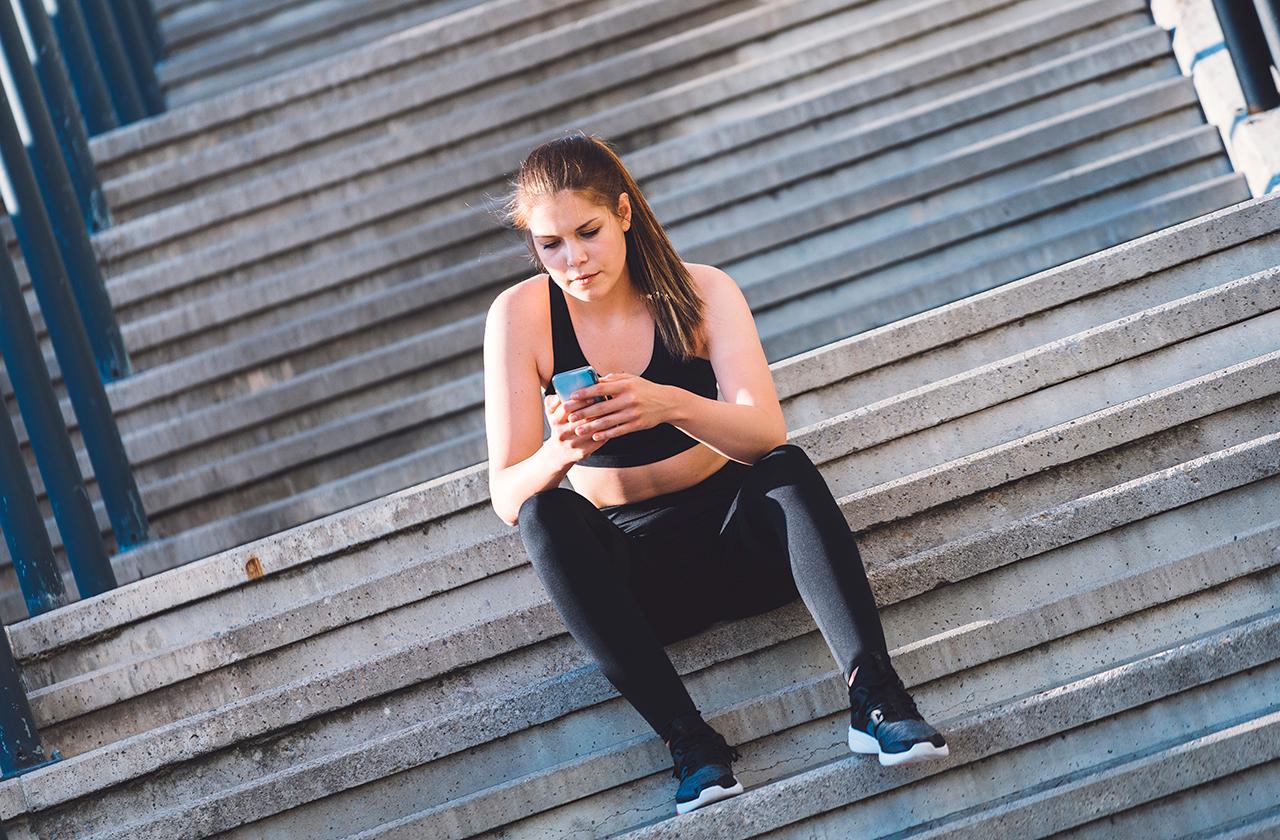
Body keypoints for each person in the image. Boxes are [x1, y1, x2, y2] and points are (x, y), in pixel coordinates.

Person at [483, 132, 948, 817]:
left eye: (588, 232)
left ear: (624, 214)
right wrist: (560, 450)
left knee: (785, 467)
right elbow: (507, 495)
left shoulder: (701, 291)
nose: (574, 259)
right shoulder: (521, 317)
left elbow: (765, 432)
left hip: (744, 546)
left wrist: (667, 401)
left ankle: (876, 697)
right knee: (546, 515)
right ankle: (690, 744)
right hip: (642, 589)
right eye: (551, 245)